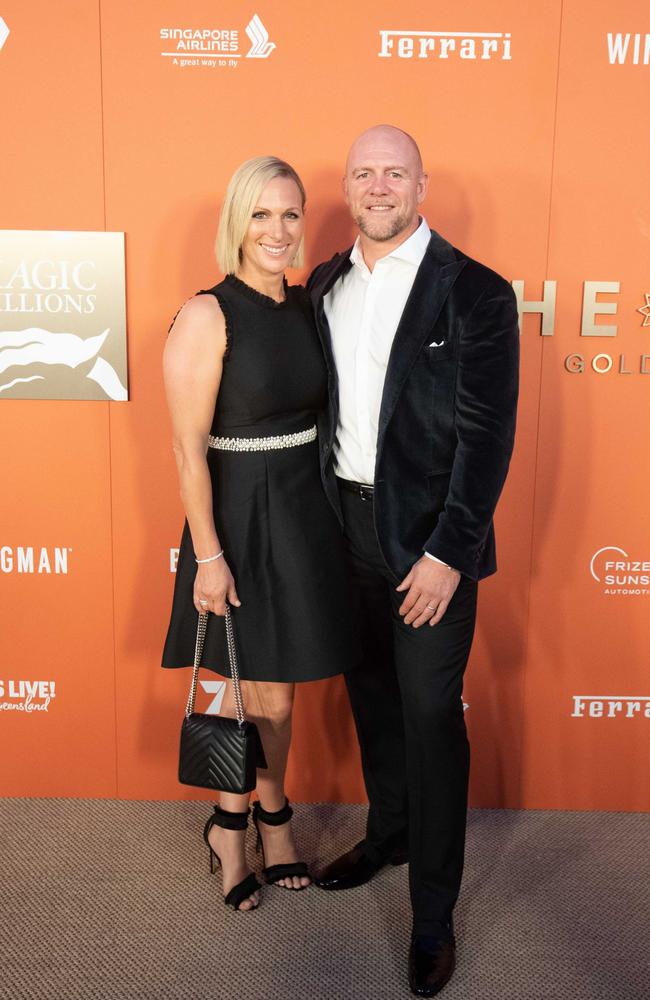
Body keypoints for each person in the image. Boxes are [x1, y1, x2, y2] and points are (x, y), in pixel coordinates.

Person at [308, 125, 519, 996]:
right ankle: (388, 830)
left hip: (429, 547)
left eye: (394, 171)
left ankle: (432, 919)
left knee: (432, 722)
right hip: (342, 533)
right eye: (364, 173)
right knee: (373, 699)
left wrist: (448, 555)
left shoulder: (475, 291)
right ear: (349, 189)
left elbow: (487, 439)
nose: (379, 185)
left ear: (422, 184)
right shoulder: (326, 284)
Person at [162, 156, 357, 912]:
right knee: (246, 689)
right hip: (238, 520)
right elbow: (187, 451)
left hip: (304, 515)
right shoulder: (207, 314)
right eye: (260, 215)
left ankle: (266, 818)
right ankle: (237, 826)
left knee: (280, 693)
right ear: (236, 223)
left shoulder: (310, 305)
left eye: (290, 214)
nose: (277, 231)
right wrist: (209, 556)